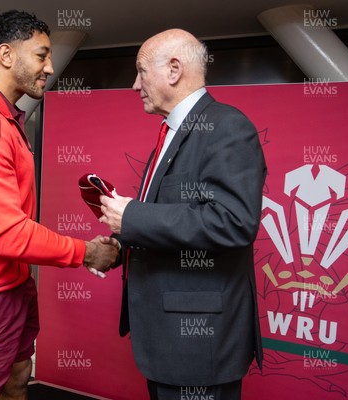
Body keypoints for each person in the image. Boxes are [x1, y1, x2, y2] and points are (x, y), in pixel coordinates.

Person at [0, 10, 118, 400]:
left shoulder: (4, 120)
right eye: (42, 55)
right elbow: (10, 234)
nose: (49, 67)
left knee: (17, 378)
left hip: (10, 285)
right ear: (7, 55)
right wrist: (87, 253)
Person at [99, 29, 266, 400]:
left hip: (199, 346)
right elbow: (172, 217)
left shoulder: (227, 127)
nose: (134, 85)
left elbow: (233, 222)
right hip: (166, 339)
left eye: (141, 72)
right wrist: (119, 242)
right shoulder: (173, 132)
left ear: (174, 69)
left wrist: (132, 217)